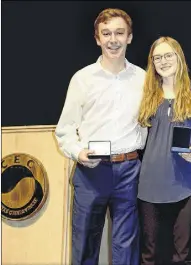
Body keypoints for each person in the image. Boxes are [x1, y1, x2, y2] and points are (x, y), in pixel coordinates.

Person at [55, 8, 147, 265]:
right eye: (106, 34)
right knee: (84, 244)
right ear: (97, 38)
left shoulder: (144, 79)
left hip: (130, 170)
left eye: (119, 33)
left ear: (129, 37)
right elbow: (64, 129)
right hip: (91, 171)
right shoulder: (82, 79)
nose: (113, 40)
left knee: (126, 248)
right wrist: (78, 152)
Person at [137, 36, 191, 265]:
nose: (163, 61)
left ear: (179, 57)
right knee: (150, 253)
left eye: (168, 55)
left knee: (183, 254)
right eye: (157, 57)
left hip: (187, 183)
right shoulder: (146, 96)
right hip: (150, 185)